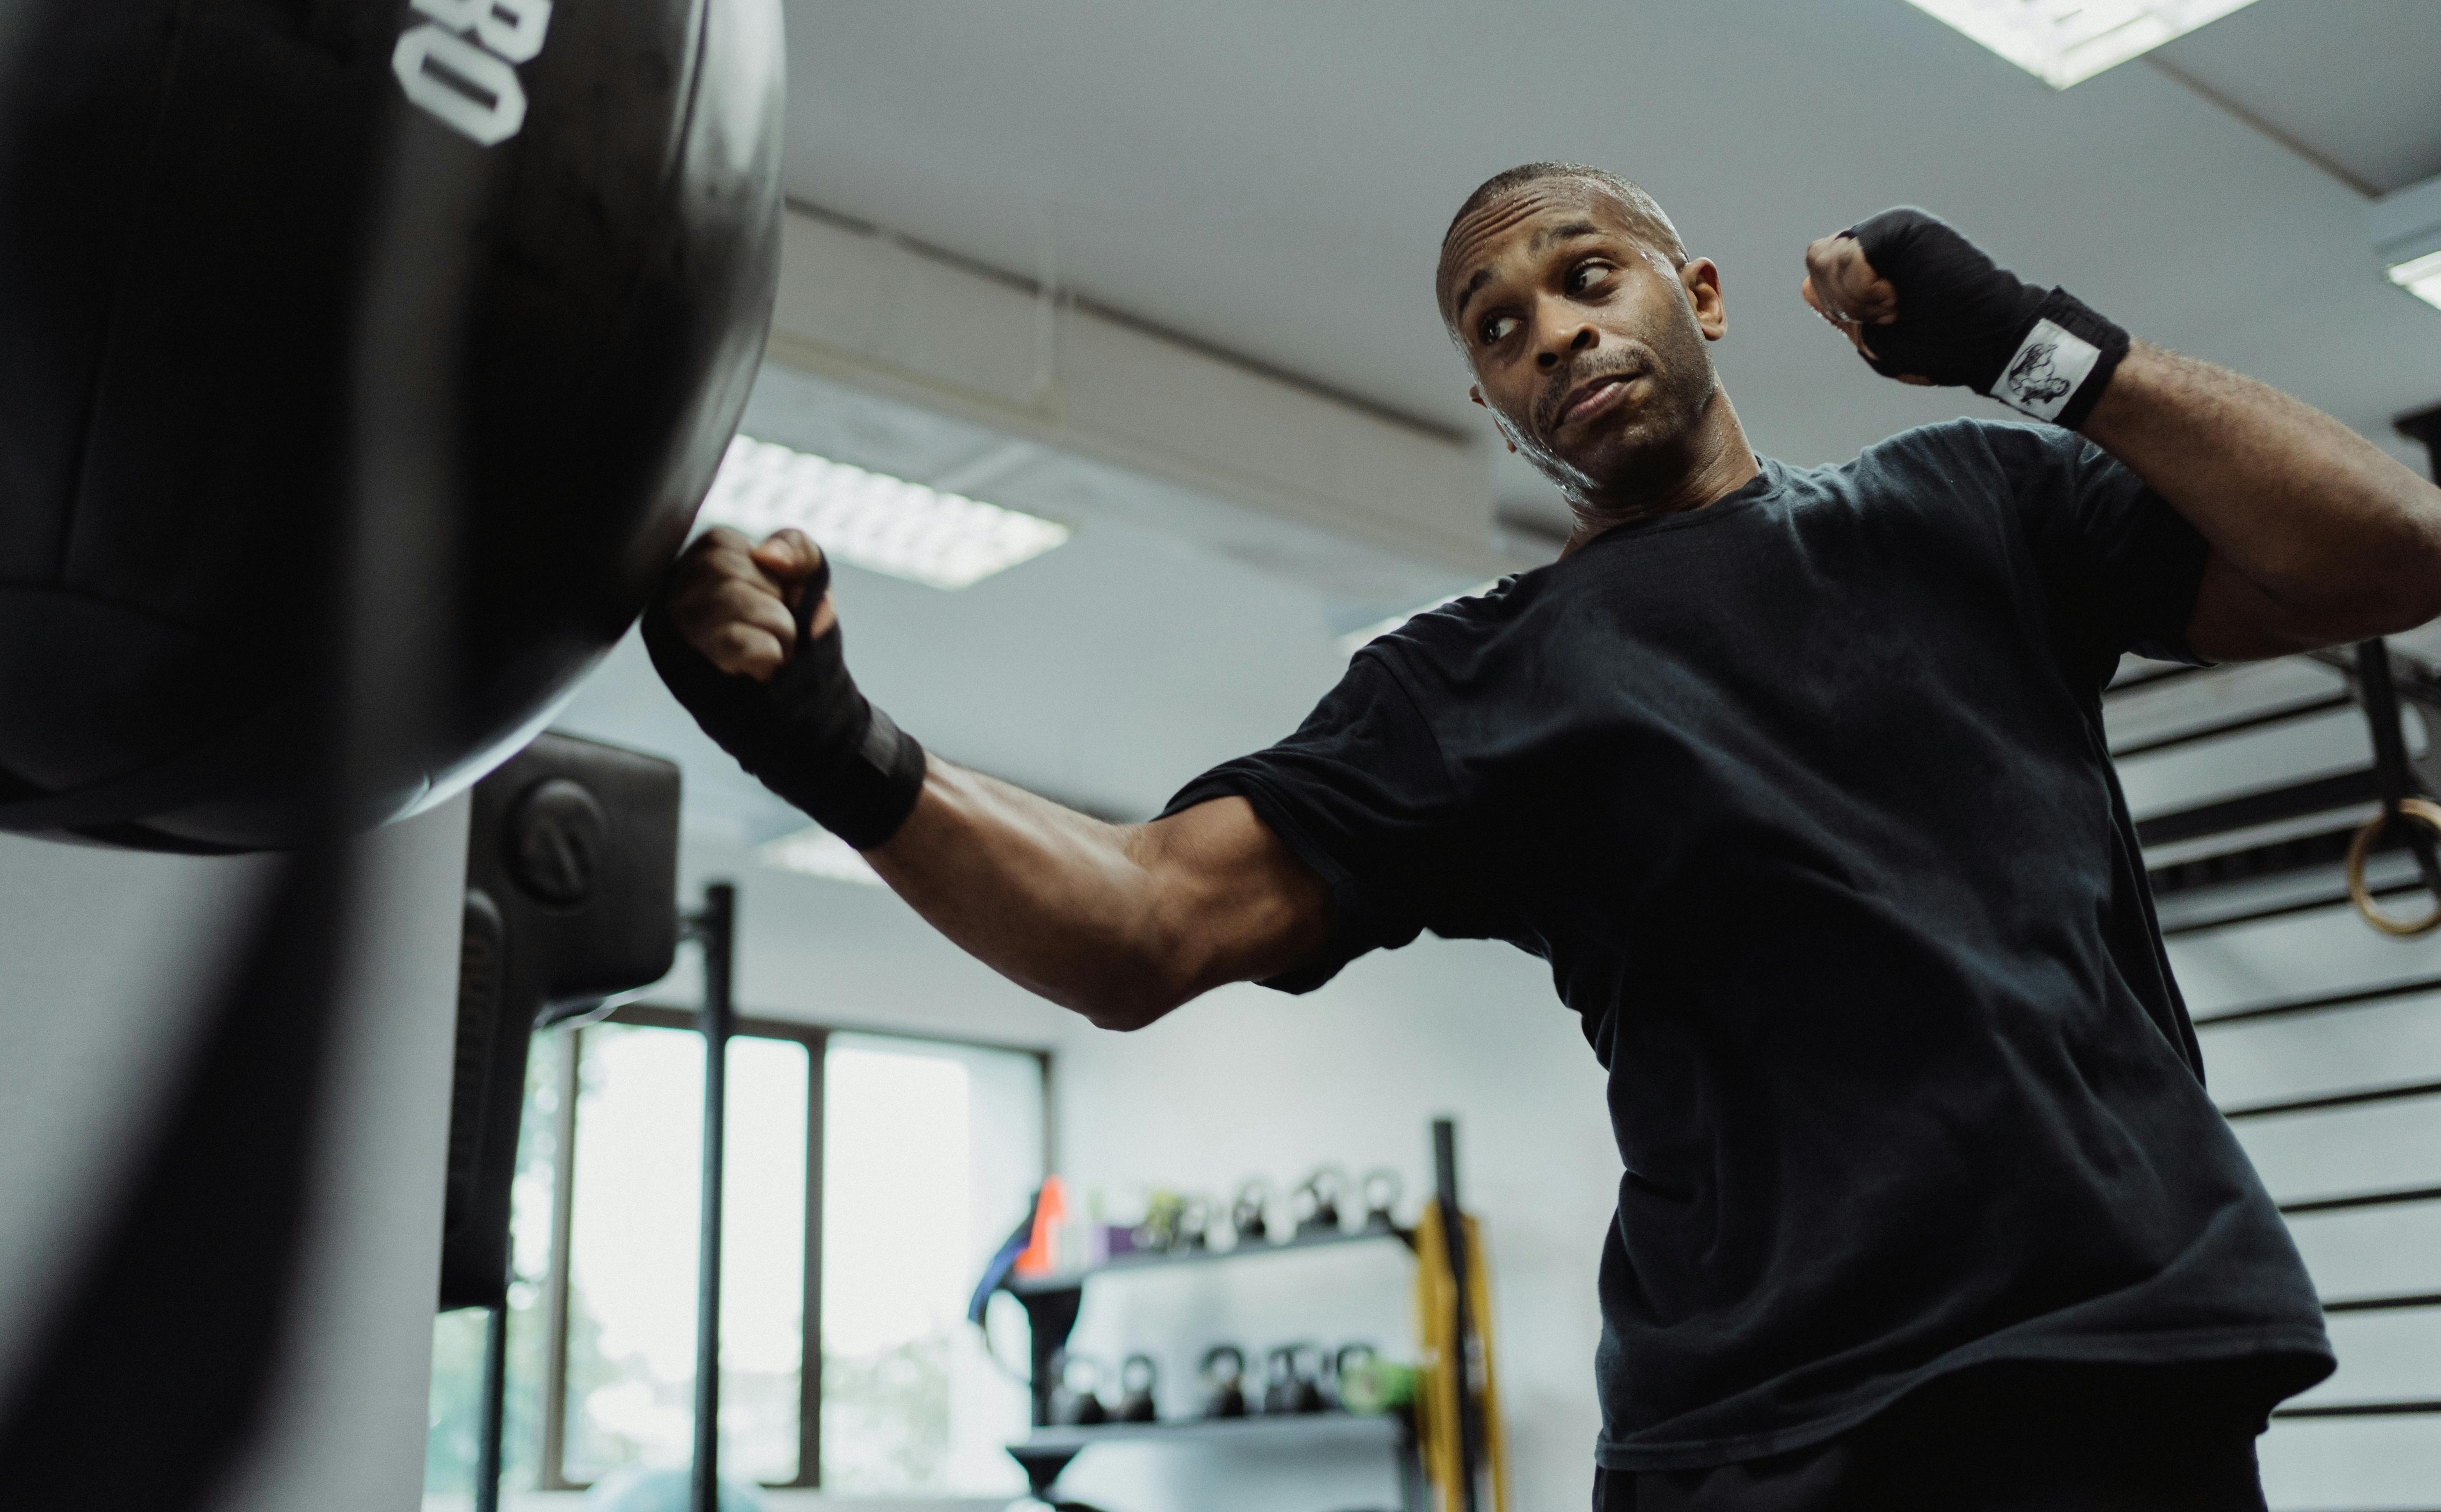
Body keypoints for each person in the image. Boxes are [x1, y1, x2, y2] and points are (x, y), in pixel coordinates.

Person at [644, 164, 2441, 1510]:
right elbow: (1142, 924)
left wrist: (2037, 351)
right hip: (1762, 1429)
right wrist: (833, 748)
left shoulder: (1962, 505)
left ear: (1700, 295)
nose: (1549, 329)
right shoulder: (1469, 684)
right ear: (1492, 404)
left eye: (1584, 276)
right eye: (1495, 327)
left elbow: (2388, 551)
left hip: (2112, 1358)